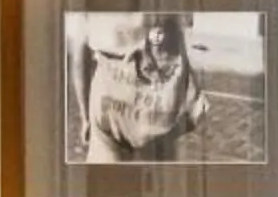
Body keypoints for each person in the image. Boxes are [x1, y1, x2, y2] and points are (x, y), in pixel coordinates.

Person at [74, 15, 211, 163]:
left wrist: (85, 116)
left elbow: (79, 57)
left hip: (108, 89)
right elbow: (183, 35)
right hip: (154, 95)